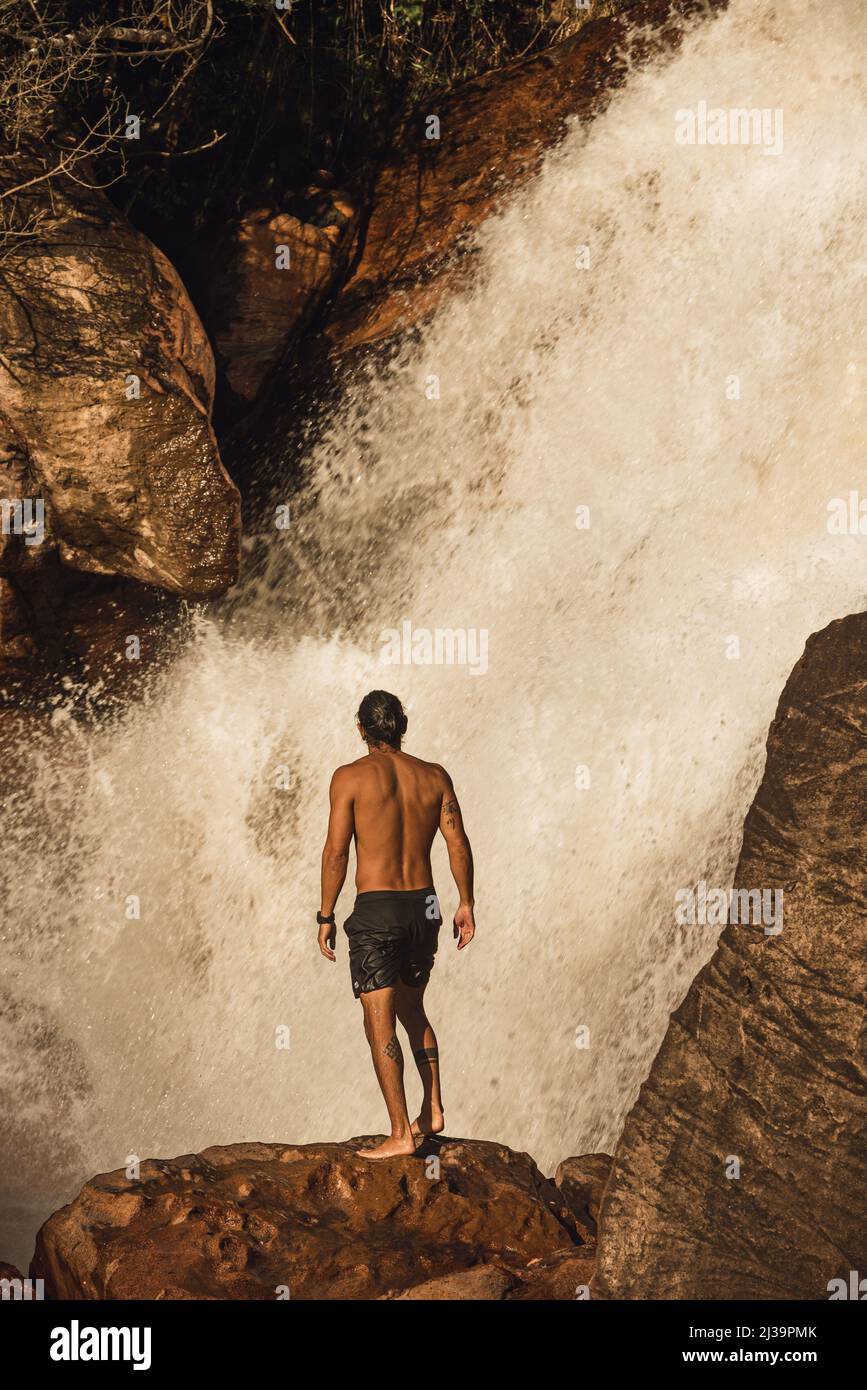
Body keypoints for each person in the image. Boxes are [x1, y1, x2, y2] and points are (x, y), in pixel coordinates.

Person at [317, 690, 475, 1159]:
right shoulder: (434, 776)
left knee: (379, 1022)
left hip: (378, 910)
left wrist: (325, 914)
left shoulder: (349, 778)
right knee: (412, 1008)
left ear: (361, 729)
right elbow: (458, 843)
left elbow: (337, 852)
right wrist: (466, 902)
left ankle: (401, 1133)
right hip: (424, 908)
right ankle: (434, 1110)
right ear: (402, 725)